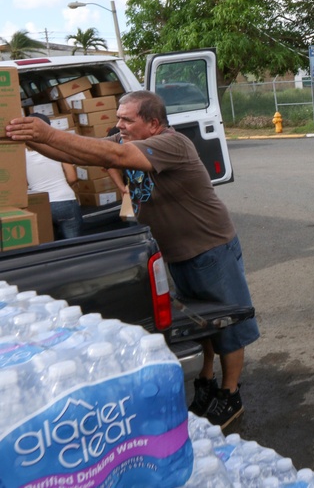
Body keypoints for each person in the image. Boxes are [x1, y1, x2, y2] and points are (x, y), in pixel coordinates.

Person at [6, 91, 259, 430]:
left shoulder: (173, 143)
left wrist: (46, 131)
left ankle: (230, 395)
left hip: (210, 248)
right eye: (118, 117)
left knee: (227, 325)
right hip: (178, 252)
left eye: (127, 119)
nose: (118, 125)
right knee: (203, 322)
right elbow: (81, 154)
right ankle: (206, 381)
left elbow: (112, 153)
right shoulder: (128, 140)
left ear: (153, 123)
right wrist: (31, 141)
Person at [24, 113, 83, 240]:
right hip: (64, 200)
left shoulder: (22, 155)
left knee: (48, 246)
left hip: (40, 204)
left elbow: (24, 184)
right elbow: (72, 177)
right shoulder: (58, 148)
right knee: (75, 246)